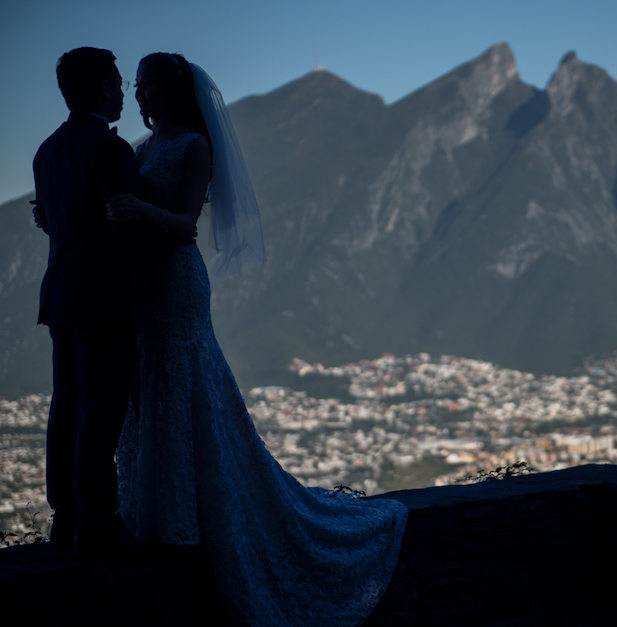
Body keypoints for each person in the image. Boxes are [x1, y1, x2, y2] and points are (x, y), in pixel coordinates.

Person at [107, 53, 408, 626]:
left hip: (177, 286)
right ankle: (163, 513)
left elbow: (184, 225)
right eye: (135, 86)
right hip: (146, 292)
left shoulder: (194, 146)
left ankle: (183, 517)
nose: (138, 95)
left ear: (170, 91)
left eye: (146, 87)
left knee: (184, 381)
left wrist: (140, 208)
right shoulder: (142, 151)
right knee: (155, 385)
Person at [33, 47, 152, 557]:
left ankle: (65, 515)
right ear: (104, 87)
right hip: (105, 297)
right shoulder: (109, 149)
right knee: (101, 415)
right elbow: (126, 225)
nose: (125, 92)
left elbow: (56, 220)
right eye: (120, 83)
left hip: (62, 294)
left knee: (67, 405)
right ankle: (100, 522)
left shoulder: (48, 149)